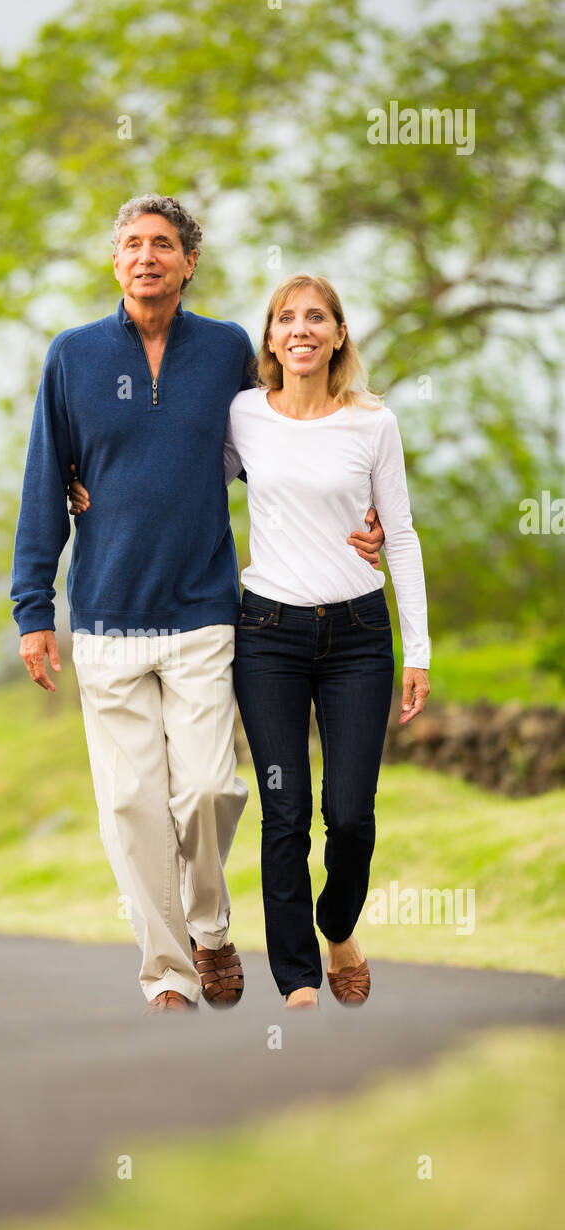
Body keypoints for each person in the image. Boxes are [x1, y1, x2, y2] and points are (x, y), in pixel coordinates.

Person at [11, 194, 385, 1016]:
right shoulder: (72, 357)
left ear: (189, 263)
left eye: (164, 245)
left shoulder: (223, 352)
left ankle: (213, 928)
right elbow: (46, 479)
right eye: (133, 244)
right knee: (131, 805)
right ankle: (171, 970)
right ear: (116, 261)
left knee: (212, 790)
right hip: (105, 618)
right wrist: (33, 607)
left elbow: (282, 441)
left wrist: (359, 516)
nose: (147, 256)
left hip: (205, 614)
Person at [225, 274, 430, 1009]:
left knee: (349, 815)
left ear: (339, 334)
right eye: (287, 319)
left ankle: (337, 925)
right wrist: (83, 485)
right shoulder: (243, 415)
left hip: (358, 637)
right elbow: (183, 482)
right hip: (268, 634)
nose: (301, 329)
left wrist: (420, 649)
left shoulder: (372, 423)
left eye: (317, 318)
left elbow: (398, 536)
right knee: (283, 811)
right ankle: (298, 980)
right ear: (271, 338)